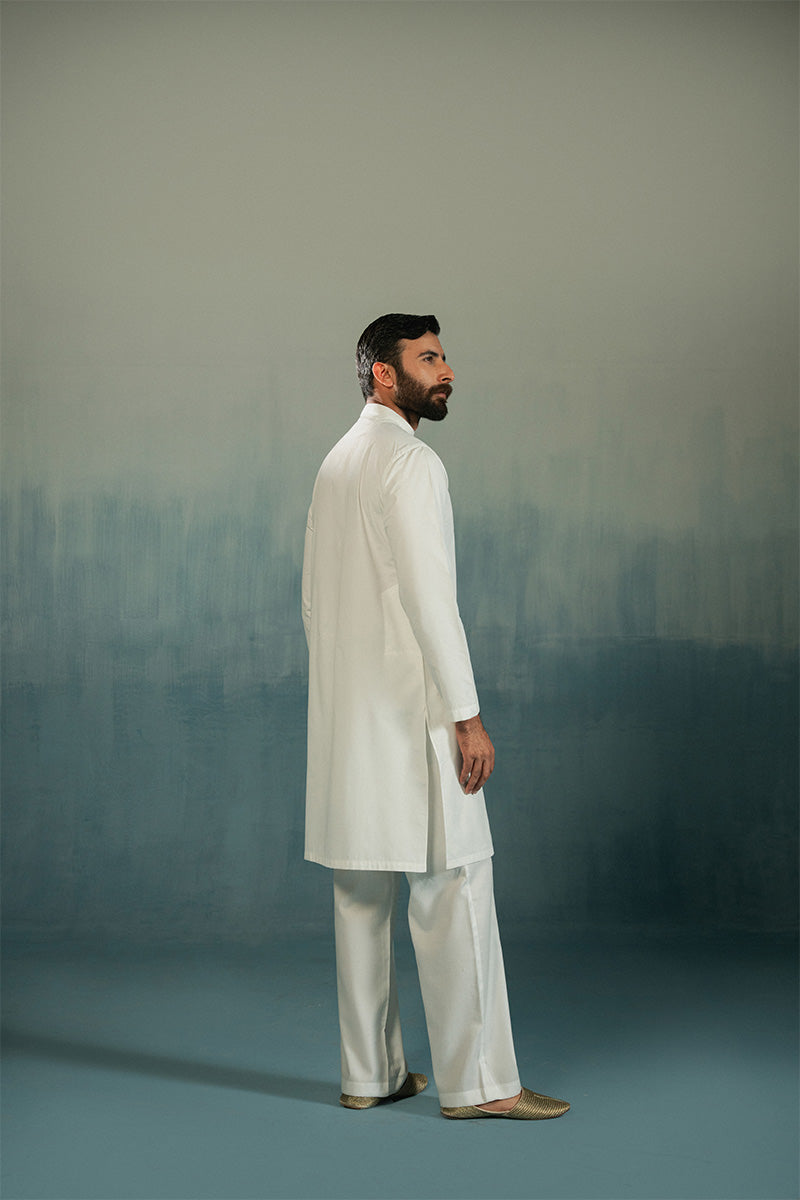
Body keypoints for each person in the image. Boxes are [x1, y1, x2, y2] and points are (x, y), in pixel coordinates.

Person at [301, 313, 569, 1121]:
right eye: (428, 358)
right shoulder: (411, 461)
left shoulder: (336, 462)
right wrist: (466, 714)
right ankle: (483, 1086)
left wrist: (342, 693)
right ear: (384, 374)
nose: (446, 370)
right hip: (414, 713)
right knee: (455, 884)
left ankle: (370, 1074)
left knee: (360, 893)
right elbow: (429, 599)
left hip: (348, 720)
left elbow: (313, 602)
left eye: (446, 356)